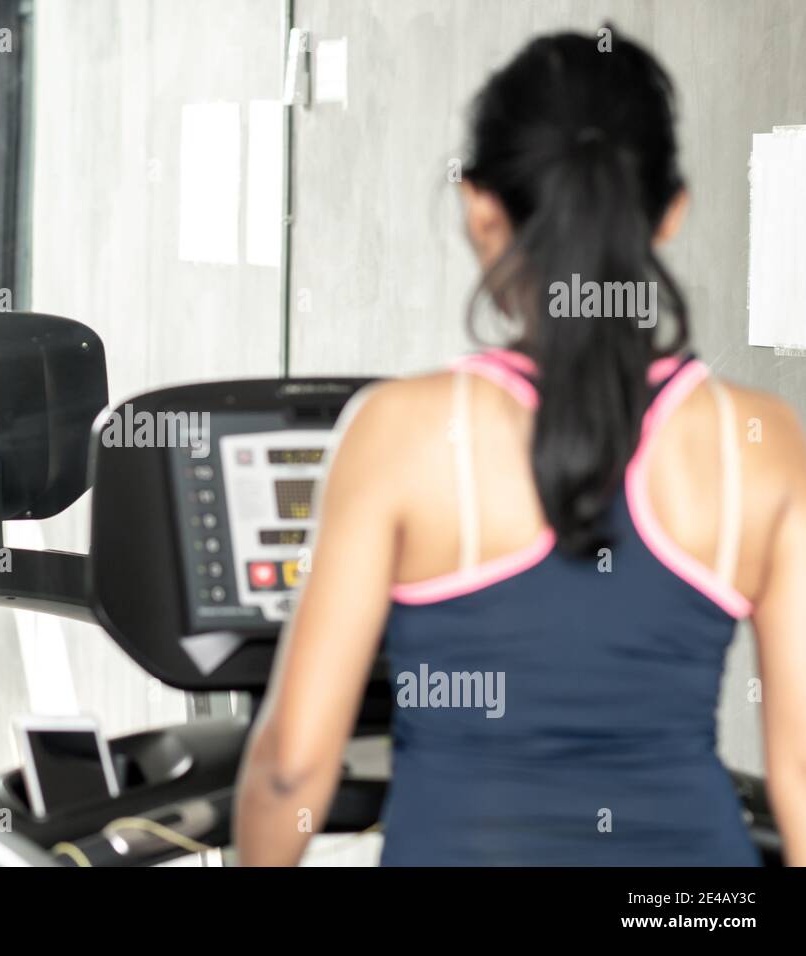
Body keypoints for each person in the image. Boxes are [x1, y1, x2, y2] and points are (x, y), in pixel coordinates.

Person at [234, 27, 806, 866]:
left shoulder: (399, 435)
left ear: (479, 206)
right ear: (672, 210)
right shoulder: (762, 448)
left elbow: (291, 769)